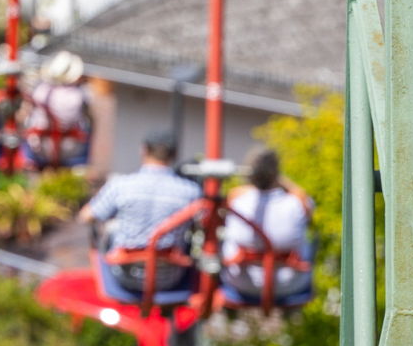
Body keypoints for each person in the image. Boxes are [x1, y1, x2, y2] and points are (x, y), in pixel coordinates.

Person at [83, 131, 202, 303]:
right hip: (170, 279)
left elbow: (87, 216)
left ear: (143, 150)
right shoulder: (191, 192)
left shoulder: (121, 185)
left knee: (110, 232)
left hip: (124, 277)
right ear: (174, 155)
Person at [217, 147, 314, 309]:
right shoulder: (297, 203)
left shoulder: (236, 201)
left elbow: (235, 195)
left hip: (241, 284)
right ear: (277, 174)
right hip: (290, 286)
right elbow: (303, 197)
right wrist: (277, 178)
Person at [18, 50, 95, 172]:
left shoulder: (40, 91)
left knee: (28, 123)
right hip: (71, 150)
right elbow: (91, 118)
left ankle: (28, 160)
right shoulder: (80, 94)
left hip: (39, 148)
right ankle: (85, 165)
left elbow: (24, 115)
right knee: (88, 126)